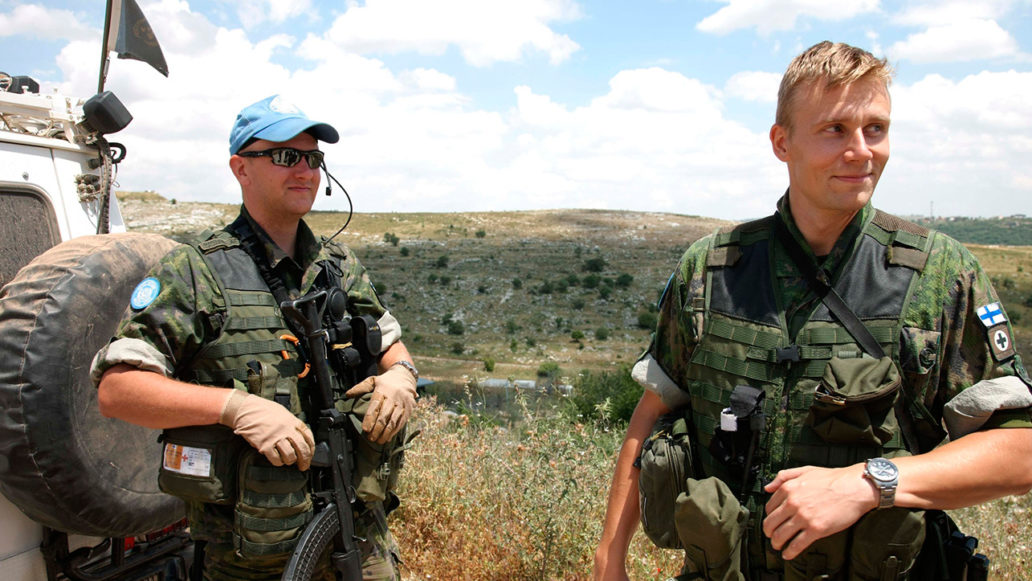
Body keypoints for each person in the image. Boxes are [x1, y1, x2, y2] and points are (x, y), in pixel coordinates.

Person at [593, 41, 1032, 580]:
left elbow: (1020, 449)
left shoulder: (939, 274)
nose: (862, 150)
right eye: (835, 130)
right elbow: (655, 412)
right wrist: (610, 557)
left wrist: (870, 482)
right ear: (783, 142)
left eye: (876, 128)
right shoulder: (712, 267)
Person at [91, 95, 418, 581]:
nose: (305, 171)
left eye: (313, 158)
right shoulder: (196, 271)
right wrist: (236, 409)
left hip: (359, 535)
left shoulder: (338, 266)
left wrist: (401, 377)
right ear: (241, 168)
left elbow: (388, 342)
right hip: (251, 559)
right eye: (286, 156)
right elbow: (118, 390)